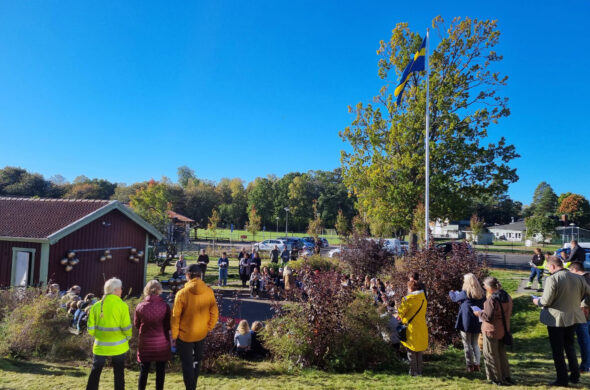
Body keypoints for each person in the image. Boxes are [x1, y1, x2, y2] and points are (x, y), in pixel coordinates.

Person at [533, 256, 590, 386]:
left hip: (556, 319)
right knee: (570, 347)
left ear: (552, 266)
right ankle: (575, 375)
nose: (547, 269)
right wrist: (581, 302)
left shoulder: (552, 279)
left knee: (558, 350)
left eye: (548, 267)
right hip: (574, 317)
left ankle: (562, 379)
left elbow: (546, 301)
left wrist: (537, 301)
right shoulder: (579, 278)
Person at [171, 264, 219, 390]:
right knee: (196, 363)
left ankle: (190, 388)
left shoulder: (181, 293)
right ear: (200, 275)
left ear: (188, 276)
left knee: (187, 365)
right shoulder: (209, 291)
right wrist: (208, 327)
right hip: (201, 333)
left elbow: (176, 317)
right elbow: (214, 312)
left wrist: (174, 335)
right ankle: (193, 387)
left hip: (185, 335)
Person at [86, 278, 132, 390]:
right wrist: (127, 337)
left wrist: (99, 334)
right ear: (115, 290)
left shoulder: (96, 306)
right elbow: (126, 327)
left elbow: (90, 329)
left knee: (95, 371)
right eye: (121, 288)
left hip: (100, 345)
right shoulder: (122, 305)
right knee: (119, 372)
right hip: (119, 346)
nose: (122, 290)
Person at [473, 277, 513, 386]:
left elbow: (488, 316)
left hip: (491, 330)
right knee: (501, 354)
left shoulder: (492, 300)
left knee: (490, 354)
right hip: (504, 329)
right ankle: (506, 376)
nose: (485, 288)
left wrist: (478, 313)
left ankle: (496, 378)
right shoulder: (507, 296)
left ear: (490, 288)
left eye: (485, 286)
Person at [134, 280, 171, 390]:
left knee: (144, 370)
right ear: (159, 290)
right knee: (160, 370)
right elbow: (167, 325)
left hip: (145, 341)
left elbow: (136, 324)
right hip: (161, 342)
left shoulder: (140, 306)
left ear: (147, 290)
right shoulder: (165, 306)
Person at [449, 273, 486, 372]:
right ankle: (477, 364)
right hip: (477, 320)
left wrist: (451, 292)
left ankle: (469, 365)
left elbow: (454, 298)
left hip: (466, 320)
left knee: (467, 343)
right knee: (475, 343)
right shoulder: (482, 292)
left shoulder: (465, 292)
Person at [397, 279, 428, 376]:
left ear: (410, 288)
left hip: (411, 327)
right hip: (421, 326)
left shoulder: (408, 299)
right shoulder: (423, 299)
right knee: (419, 351)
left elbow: (400, 313)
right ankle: (419, 371)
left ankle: (413, 372)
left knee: (411, 351)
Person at [569, 262, 590, 373]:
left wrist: (584, 307)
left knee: (584, 340)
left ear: (575, 270)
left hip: (583, 313)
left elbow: (583, 298)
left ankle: (585, 366)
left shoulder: (582, 280)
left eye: (570, 272)